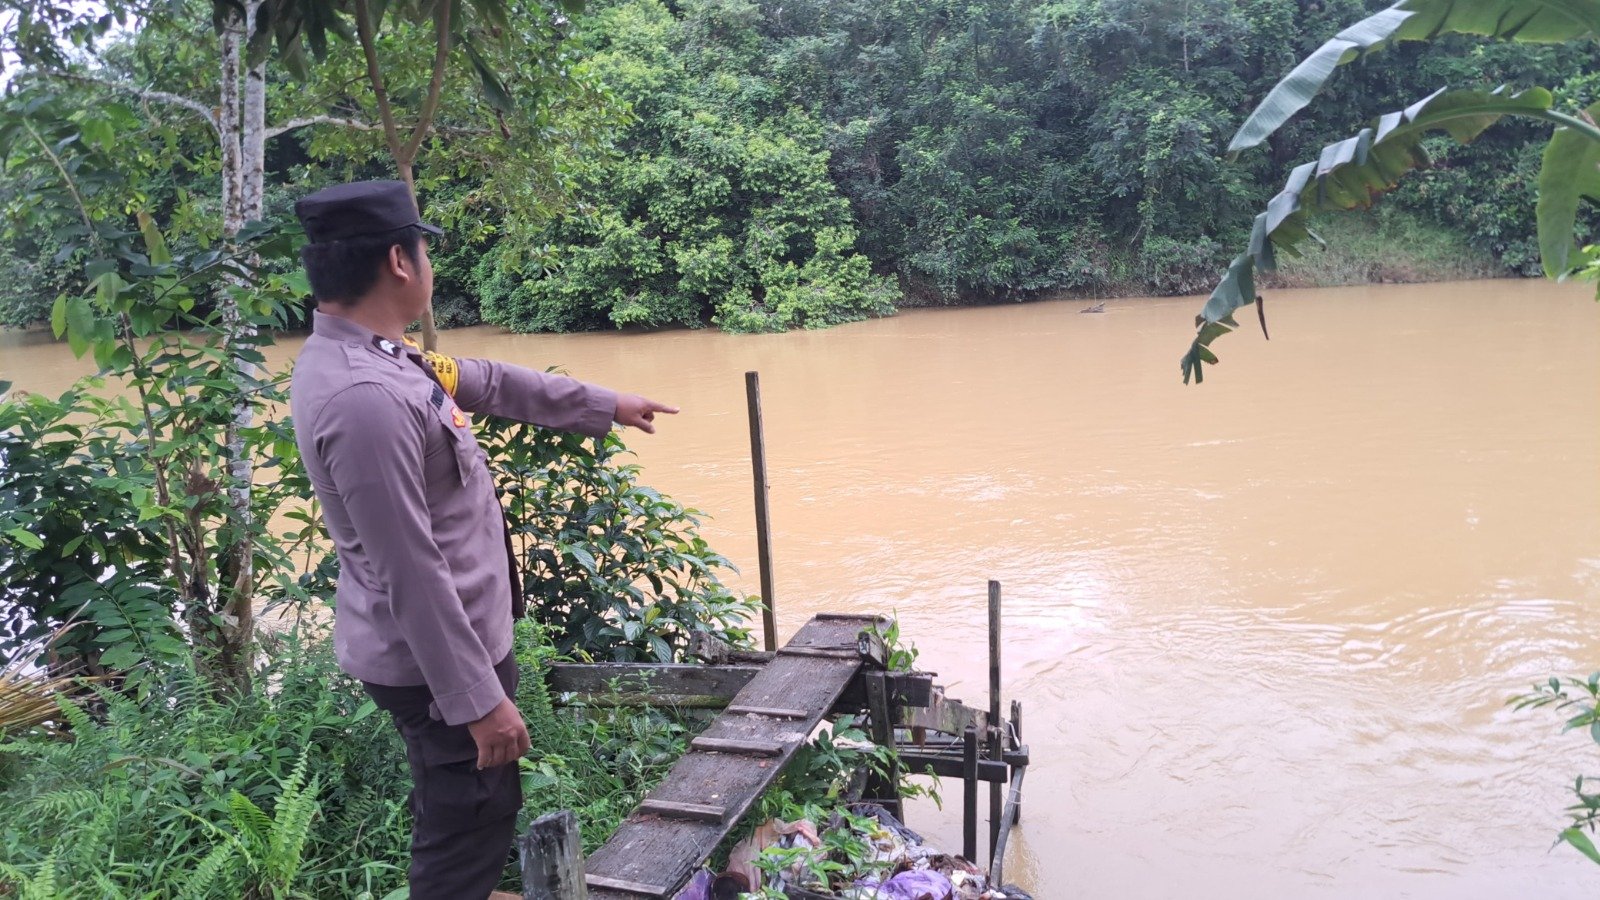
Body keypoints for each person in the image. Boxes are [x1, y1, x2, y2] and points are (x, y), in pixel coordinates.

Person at [288, 180, 677, 899]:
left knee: (475, 812)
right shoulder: (365, 399)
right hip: (438, 666)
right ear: (400, 262)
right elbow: (410, 571)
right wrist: (477, 701)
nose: (430, 264)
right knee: (465, 831)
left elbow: (482, 381)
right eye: (424, 248)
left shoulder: (382, 357)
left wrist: (603, 405)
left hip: (454, 648)